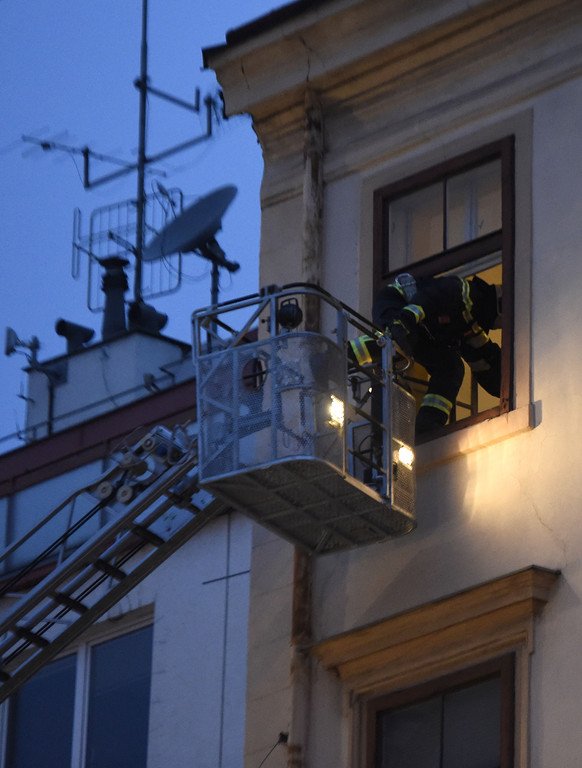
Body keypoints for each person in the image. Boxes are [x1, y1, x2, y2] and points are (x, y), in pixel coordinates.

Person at [349, 273, 502, 435]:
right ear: (499, 305)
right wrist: (403, 322)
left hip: (420, 331)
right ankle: (342, 356)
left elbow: (486, 369)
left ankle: (427, 425)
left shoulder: (473, 329)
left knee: (451, 367)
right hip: (398, 303)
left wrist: (505, 380)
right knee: (396, 341)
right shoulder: (463, 292)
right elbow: (429, 298)